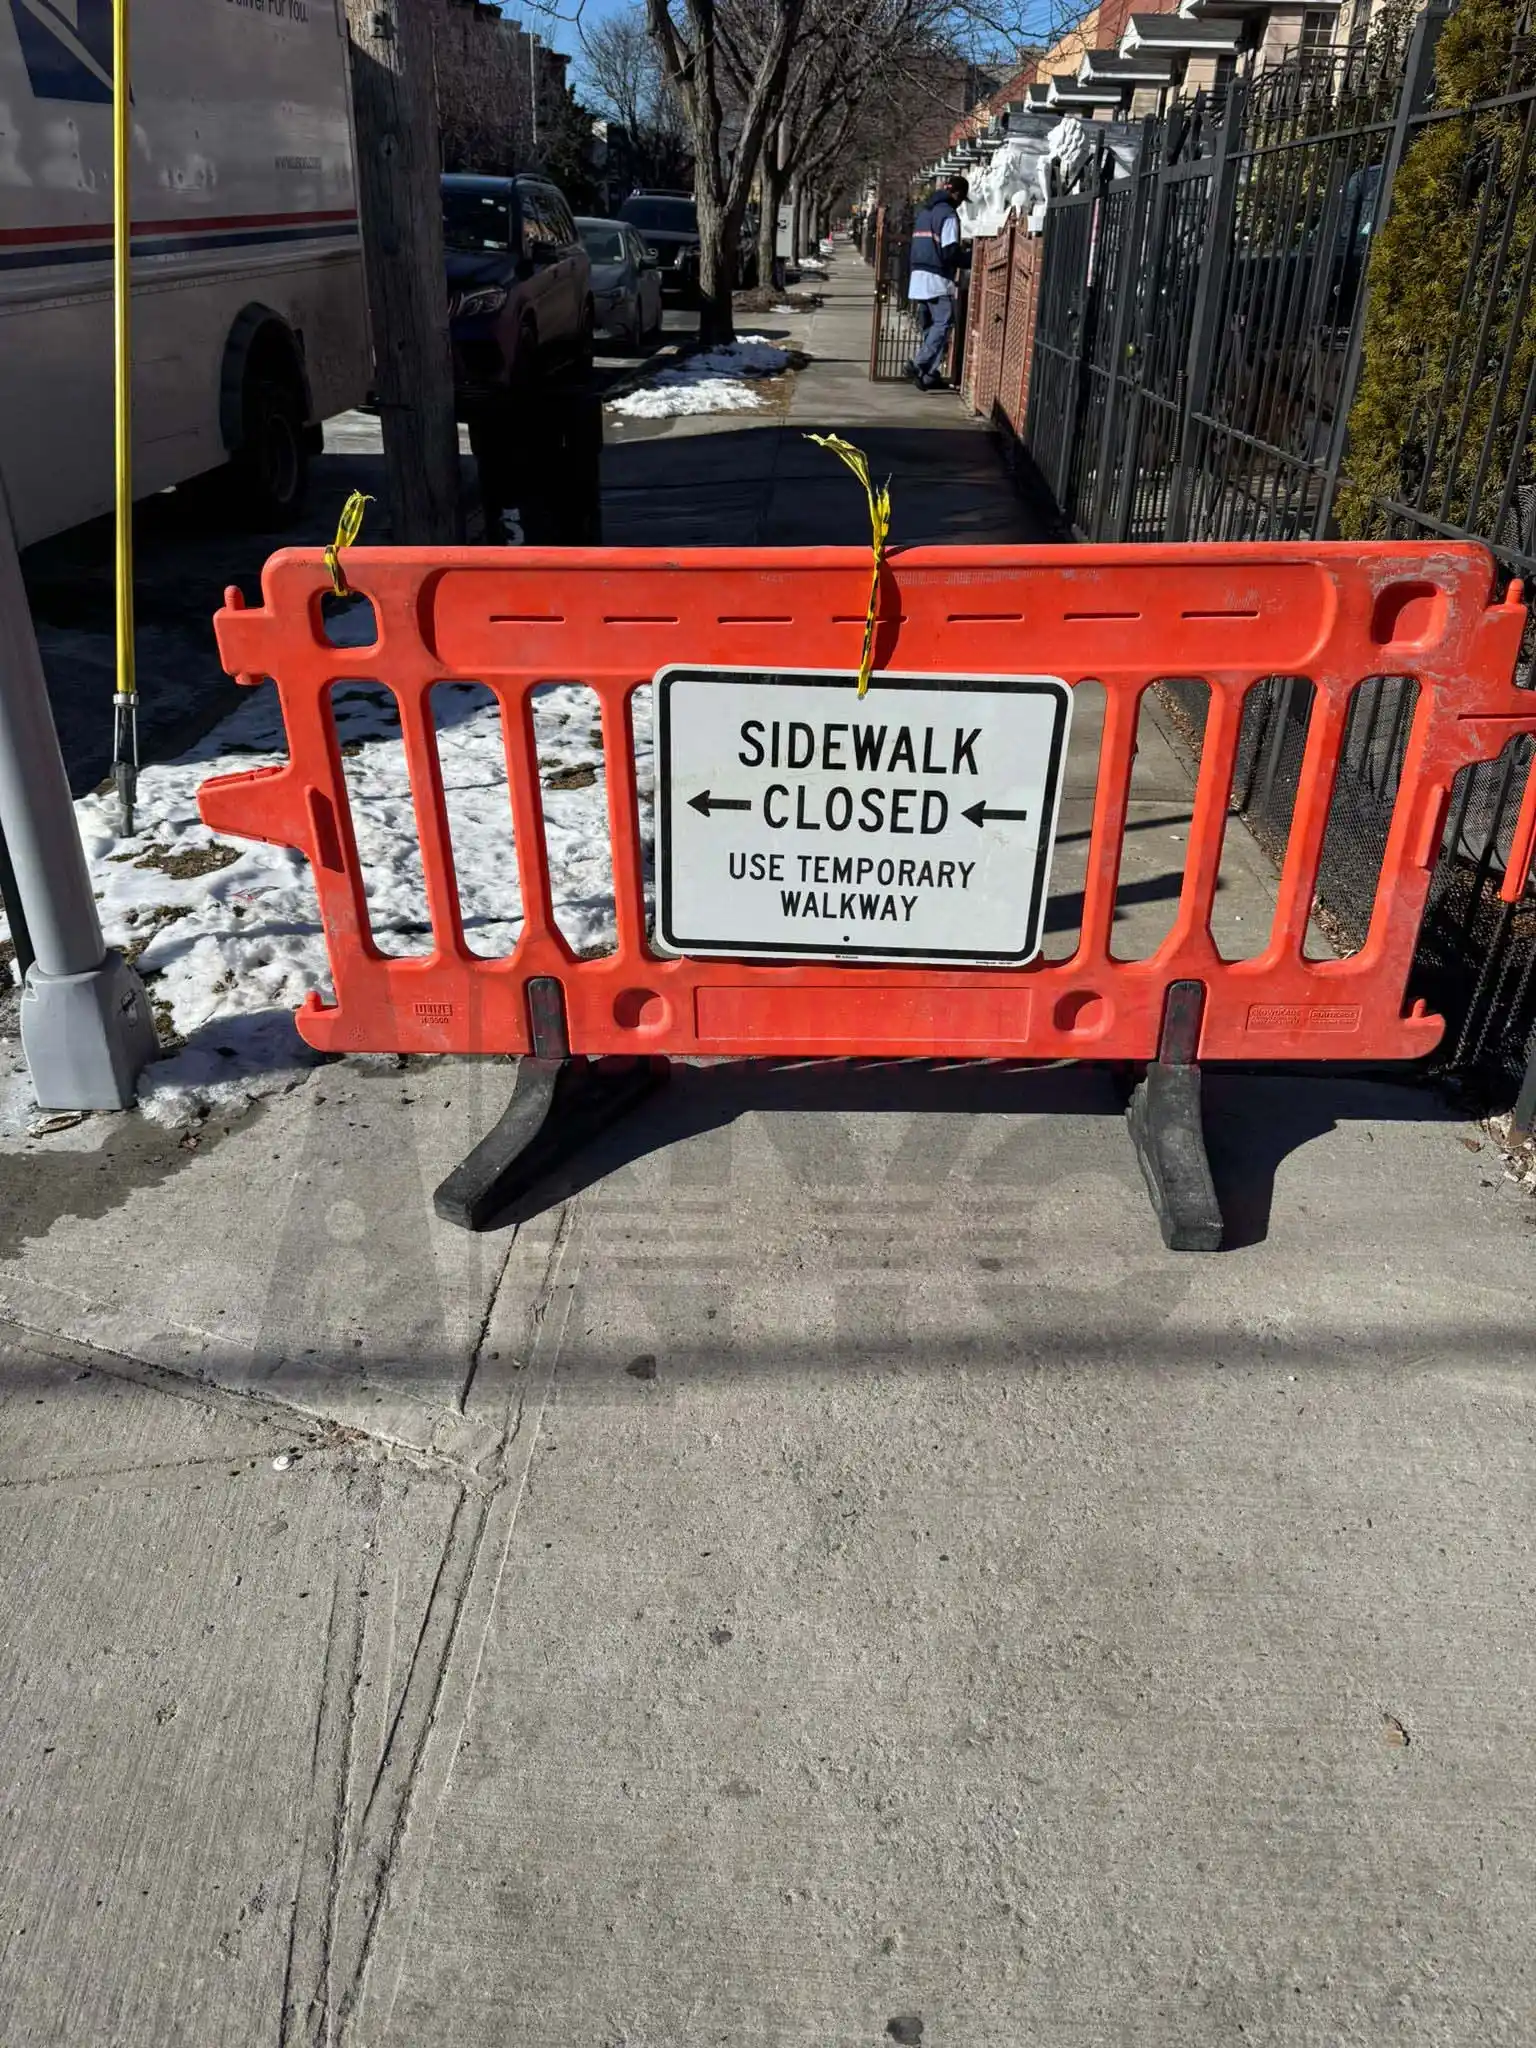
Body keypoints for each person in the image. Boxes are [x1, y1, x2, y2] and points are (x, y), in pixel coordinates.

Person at [906, 174, 968, 390]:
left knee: (930, 327)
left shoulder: (925, 213)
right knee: (943, 324)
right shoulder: (948, 215)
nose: (961, 204)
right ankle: (919, 363)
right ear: (958, 194)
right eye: (962, 199)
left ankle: (928, 375)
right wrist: (971, 258)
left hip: (917, 277)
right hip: (938, 278)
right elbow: (950, 251)